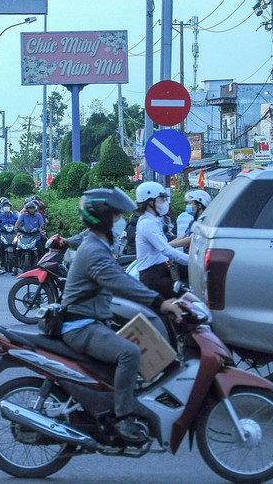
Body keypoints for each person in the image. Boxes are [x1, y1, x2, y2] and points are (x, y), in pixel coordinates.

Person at [60, 188, 182, 443]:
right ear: (103, 219)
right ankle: (122, 418)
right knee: (130, 353)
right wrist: (160, 303)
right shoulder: (94, 251)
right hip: (81, 327)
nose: (122, 222)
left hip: (92, 320)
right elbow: (121, 283)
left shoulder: (98, 244)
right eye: (116, 217)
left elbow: (123, 278)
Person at [134, 182, 190, 299]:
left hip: (160, 272)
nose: (164, 203)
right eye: (161, 200)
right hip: (153, 277)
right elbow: (166, 250)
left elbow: (167, 245)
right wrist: (192, 261)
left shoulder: (154, 221)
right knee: (187, 298)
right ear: (150, 202)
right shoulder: (147, 223)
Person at [0, 202, 19, 275]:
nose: (6, 207)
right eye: (5, 206)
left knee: (18, 247)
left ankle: (16, 265)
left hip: (13, 234)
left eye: (8, 206)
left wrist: (18, 228)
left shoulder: (14, 216)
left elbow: (19, 223)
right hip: (2, 233)